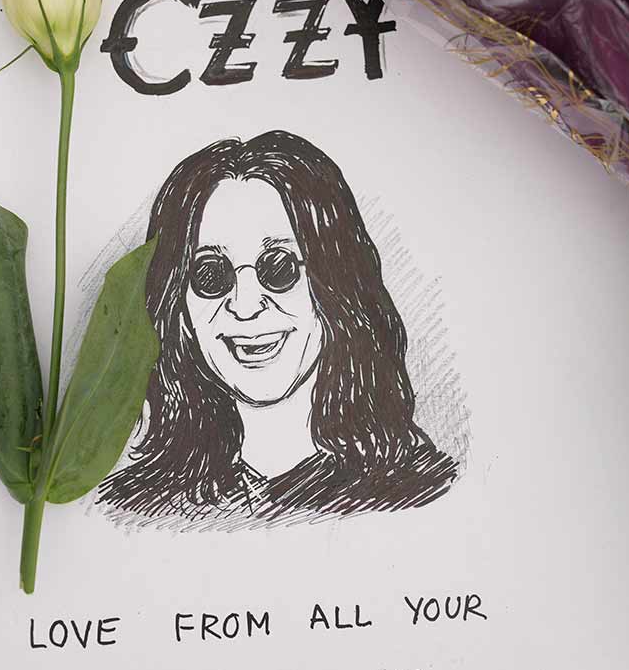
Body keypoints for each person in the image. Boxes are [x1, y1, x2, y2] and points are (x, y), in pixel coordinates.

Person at [98, 130, 457, 522]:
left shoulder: (415, 492)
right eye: (210, 275)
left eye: (279, 267)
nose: (245, 305)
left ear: (337, 281)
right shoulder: (139, 505)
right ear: (177, 304)